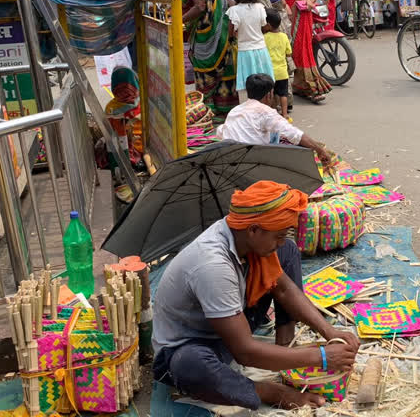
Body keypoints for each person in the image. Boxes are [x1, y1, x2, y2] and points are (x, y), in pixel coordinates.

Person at [152, 181, 358, 411]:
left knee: (286, 251)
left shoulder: (241, 233)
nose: (280, 240)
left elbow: (284, 289)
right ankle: (267, 391)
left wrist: (330, 332)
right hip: (194, 345)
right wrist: (321, 357)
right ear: (253, 230)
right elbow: (245, 353)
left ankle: (284, 344)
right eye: (278, 235)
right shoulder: (213, 266)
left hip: (229, 323)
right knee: (189, 365)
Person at [216, 75, 331, 161]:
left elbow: (220, 131)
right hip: (253, 161)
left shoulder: (235, 110)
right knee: (292, 145)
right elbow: (294, 134)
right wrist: (319, 150)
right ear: (269, 95)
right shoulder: (266, 112)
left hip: (229, 158)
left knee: (275, 134)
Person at [182, 0, 236, 114]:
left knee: (205, 68)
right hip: (221, 30)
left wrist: (179, 19)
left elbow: (199, 6)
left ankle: (209, 110)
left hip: (207, 33)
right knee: (224, 67)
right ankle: (225, 108)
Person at [275, 0, 332, 103]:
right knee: (296, 52)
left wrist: (310, 0)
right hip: (291, 20)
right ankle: (308, 87)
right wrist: (285, 6)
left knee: (305, 50)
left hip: (306, 17)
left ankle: (303, 86)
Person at [227, 0, 274, 103]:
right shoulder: (260, 7)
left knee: (246, 84)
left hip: (245, 52)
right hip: (261, 49)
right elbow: (263, 26)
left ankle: (247, 110)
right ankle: (266, 107)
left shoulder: (234, 11)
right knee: (265, 80)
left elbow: (230, 32)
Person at [264, 9, 293, 121]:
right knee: (283, 94)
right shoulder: (284, 36)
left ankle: (273, 113)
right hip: (282, 72)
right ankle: (285, 114)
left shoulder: (265, 37)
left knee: (271, 94)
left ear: (268, 25)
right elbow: (289, 53)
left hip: (270, 72)